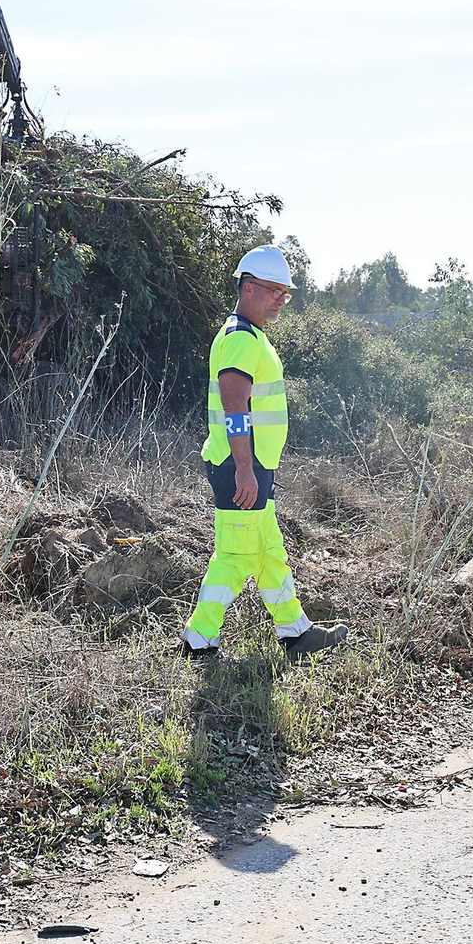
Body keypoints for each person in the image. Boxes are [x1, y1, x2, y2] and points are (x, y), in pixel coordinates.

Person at [182, 245, 347, 660]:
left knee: (270, 551)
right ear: (249, 288)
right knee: (236, 558)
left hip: (253, 465)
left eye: (285, 293)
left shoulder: (249, 336)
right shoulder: (240, 338)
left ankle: (296, 633)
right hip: (241, 467)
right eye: (274, 290)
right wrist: (243, 469)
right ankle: (199, 640)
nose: (280, 299)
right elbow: (235, 405)